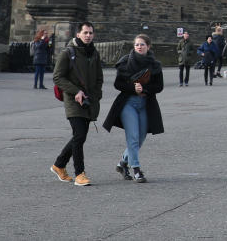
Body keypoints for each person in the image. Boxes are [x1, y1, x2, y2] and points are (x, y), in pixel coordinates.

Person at [103, 32, 164, 183]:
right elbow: (118, 84)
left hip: (145, 104)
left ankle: (122, 163)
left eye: (142, 44)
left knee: (141, 137)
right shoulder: (125, 62)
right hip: (128, 103)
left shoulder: (155, 65)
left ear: (148, 47)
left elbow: (159, 86)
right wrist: (132, 88)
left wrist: (144, 89)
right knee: (133, 137)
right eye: (137, 44)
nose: (139, 47)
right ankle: (136, 169)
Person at [51, 21, 103, 187]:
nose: (88, 36)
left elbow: (99, 78)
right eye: (85, 32)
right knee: (79, 135)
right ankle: (79, 174)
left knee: (79, 137)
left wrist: (95, 95)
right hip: (73, 100)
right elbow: (58, 77)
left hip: (89, 101)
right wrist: (76, 92)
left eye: (90, 33)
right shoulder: (68, 53)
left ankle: (59, 165)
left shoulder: (94, 53)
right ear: (78, 34)